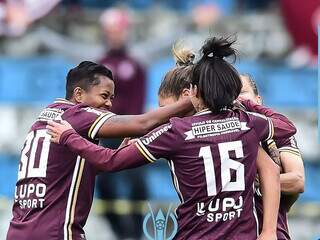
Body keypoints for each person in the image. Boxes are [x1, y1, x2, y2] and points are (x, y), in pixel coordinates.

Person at [46, 37, 297, 240]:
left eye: (167, 109)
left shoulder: (176, 132)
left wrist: (70, 137)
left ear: (192, 94)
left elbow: (111, 161)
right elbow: (283, 139)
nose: (166, 116)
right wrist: (268, 232)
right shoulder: (249, 123)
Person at [6, 61, 193, 240]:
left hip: (17, 230)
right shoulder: (77, 114)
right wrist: (190, 102)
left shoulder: (42, 120)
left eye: (111, 98)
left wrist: (117, 154)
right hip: (55, 232)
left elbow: (69, 170)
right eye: (104, 96)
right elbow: (143, 124)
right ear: (79, 95)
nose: (109, 104)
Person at [97, 8, 148, 239]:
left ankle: (136, 233)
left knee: (137, 185)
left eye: (118, 30)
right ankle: (120, 233)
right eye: (111, 30)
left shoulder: (138, 58)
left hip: (135, 130)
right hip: (106, 130)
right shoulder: (97, 61)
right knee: (103, 186)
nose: (115, 35)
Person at [238, 74, 305, 240]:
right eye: (230, 94)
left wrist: (254, 180)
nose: (237, 99)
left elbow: (297, 181)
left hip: (272, 232)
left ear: (258, 99)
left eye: (243, 93)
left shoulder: (279, 132)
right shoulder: (216, 132)